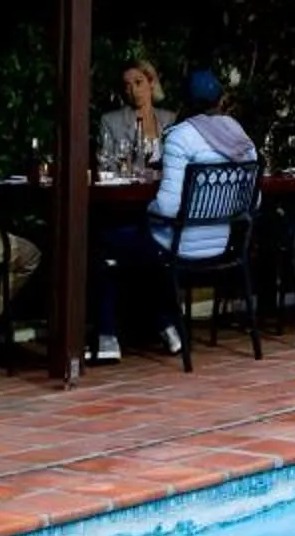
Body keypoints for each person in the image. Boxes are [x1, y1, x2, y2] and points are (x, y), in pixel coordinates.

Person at [89, 65, 255, 362]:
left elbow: (166, 207)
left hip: (182, 245)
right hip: (224, 245)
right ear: (221, 100)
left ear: (186, 103)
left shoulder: (181, 136)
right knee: (142, 253)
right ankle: (168, 326)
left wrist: (148, 213)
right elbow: (254, 203)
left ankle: (107, 337)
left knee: (107, 244)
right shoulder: (242, 137)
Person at [93, 57, 170, 181]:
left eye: (138, 82)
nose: (134, 90)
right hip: (128, 193)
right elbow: (105, 167)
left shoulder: (169, 119)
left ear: (151, 83)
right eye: (128, 86)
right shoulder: (110, 121)